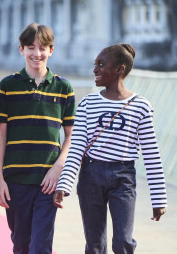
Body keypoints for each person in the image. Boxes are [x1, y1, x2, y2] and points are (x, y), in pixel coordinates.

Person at [53, 44, 168, 253]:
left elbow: (151, 154)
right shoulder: (88, 104)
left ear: (119, 70)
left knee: (122, 242)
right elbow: (77, 146)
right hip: (90, 176)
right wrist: (64, 184)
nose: (95, 69)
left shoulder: (140, 106)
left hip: (123, 178)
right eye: (95, 64)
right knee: (95, 244)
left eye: (101, 64)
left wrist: (158, 197)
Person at [0, 23, 76, 254]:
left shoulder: (63, 88)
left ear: (51, 50)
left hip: (47, 181)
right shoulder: (7, 86)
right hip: (15, 179)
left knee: (40, 246)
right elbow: (0, 135)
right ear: (21, 49)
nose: (36, 54)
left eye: (43, 48)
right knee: (21, 244)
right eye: (31, 47)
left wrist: (58, 167)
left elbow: (71, 135)